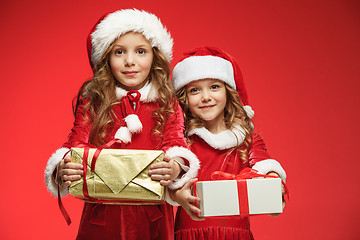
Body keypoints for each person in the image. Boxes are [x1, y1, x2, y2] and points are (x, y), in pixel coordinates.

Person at [44, 9, 199, 240]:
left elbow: (177, 143)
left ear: (154, 56)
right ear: (106, 58)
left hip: (152, 216)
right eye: (119, 52)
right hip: (102, 215)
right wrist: (63, 167)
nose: (130, 61)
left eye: (140, 51)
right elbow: (75, 144)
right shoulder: (93, 102)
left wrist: (176, 166)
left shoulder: (166, 102)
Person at [170, 46, 287, 239]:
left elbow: (264, 166)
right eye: (195, 90)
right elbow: (171, 182)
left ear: (228, 92)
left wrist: (274, 186)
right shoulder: (182, 141)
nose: (205, 96)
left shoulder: (247, 140)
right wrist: (178, 197)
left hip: (236, 234)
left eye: (214, 87)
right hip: (191, 233)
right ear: (184, 98)